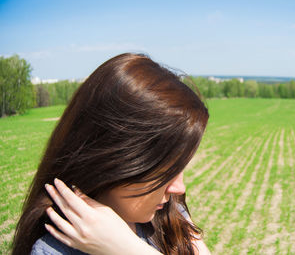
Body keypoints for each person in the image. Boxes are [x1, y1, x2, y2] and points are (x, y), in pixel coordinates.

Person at [11, 53, 211, 255]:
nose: (179, 188)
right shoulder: (54, 252)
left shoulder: (168, 214)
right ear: (113, 159)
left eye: (180, 167)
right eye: (166, 171)